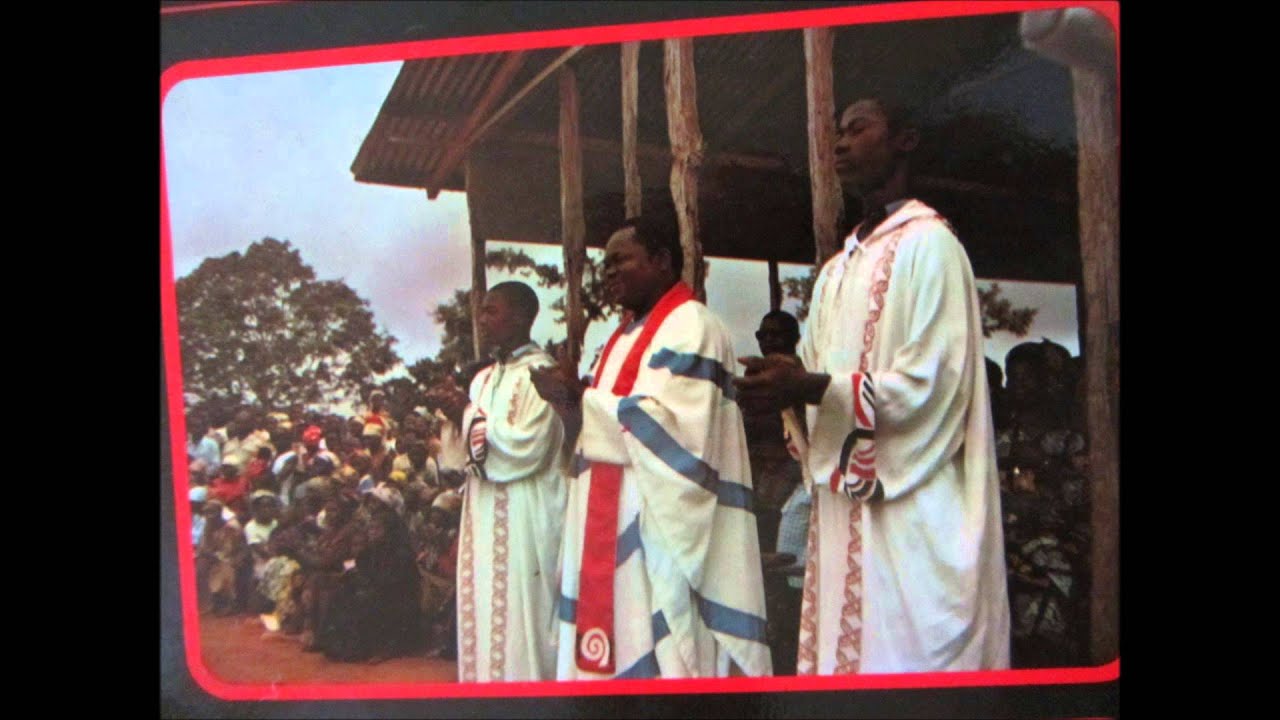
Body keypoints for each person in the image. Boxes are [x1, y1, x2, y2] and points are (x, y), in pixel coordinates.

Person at [735, 98, 1010, 674]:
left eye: (858, 129)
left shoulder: (931, 245)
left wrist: (808, 385)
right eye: (836, 132)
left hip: (909, 507)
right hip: (842, 510)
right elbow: (813, 373)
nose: (838, 143)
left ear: (905, 140)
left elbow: (938, 383)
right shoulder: (837, 269)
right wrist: (780, 388)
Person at [531, 215, 771, 679]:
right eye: (604, 265)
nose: (608, 273)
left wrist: (581, 398)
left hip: (660, 528)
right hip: (614, 519)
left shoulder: (692, 324)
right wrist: (568, 406)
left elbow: (677, 430)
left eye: (621, 260)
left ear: (661, 261)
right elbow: (601, 425)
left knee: (663, 654)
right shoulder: (621, 337)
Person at [430, 281, 569, 682]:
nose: (483, 320)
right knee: (487, 608)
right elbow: (461, 458)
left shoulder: (544, 374)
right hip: (484, 509)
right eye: (482, 311)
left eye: (492, 311)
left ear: (523, 317)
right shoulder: (483, 379)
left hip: (527, 510)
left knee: (523, 617)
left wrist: (467, 414)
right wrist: (456, 414)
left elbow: (529, 446)